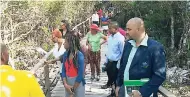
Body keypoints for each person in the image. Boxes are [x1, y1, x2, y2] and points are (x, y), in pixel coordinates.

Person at [115, 17, 166, 97]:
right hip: (124, 91)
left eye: (129, 29)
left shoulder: (155, 48)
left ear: (139, 29)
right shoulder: (128, 44)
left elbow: (159, 76)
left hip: (143, 94)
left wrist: (142, 92)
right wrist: (118, 85)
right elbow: (122, 67)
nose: (126, 32)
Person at [101, 22, 125, 97]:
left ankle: (116, 94)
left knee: (115, 79)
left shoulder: (120, 38)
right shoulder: (110, 37)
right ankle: (112, 92)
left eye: (110, 28)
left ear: (116, 29)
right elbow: (109, 50)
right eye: (109, 28)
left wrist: (118, 64)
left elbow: (122, 52)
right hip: (109, 61)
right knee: (110, 78)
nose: (109, 30)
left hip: (116, 62)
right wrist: (106, 61)